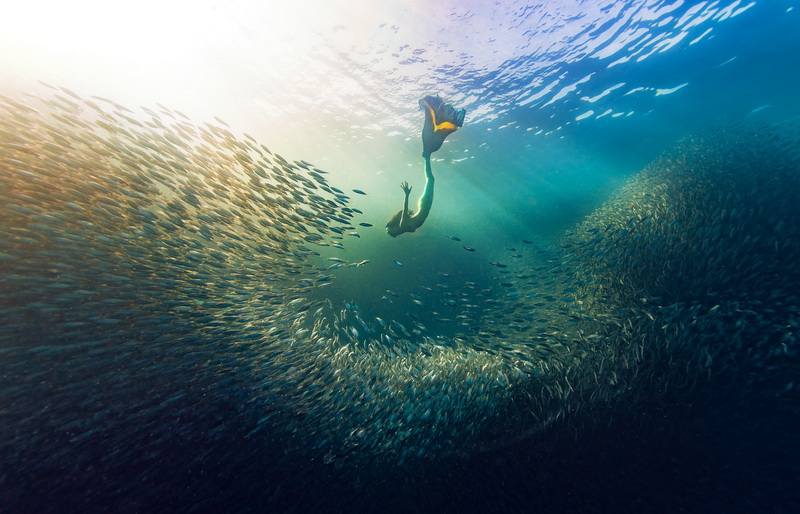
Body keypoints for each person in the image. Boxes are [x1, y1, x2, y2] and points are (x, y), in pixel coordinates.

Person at [386, 95, 466, 237]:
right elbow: (404, 214)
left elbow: (404, 211)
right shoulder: (405, 227)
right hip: (422, 206)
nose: (389, 232)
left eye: (389, 230)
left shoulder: (405, 225)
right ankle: (427, 154)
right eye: (390, 231)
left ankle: (427, 157)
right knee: (430, 177)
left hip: (423, 205)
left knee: (431, 178)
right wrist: (406, 196)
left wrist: (406, 195)